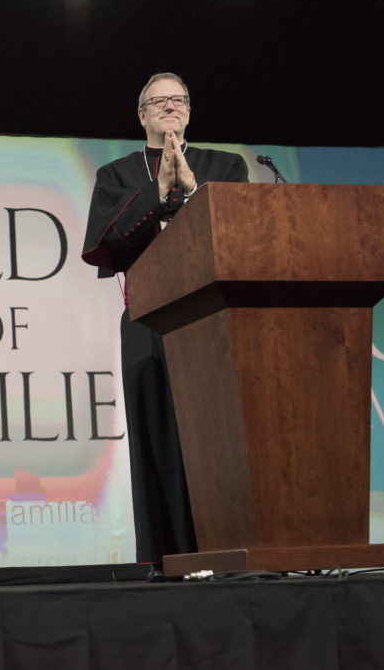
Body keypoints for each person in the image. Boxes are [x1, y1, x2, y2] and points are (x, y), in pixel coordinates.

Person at [82, 72, 249, 564]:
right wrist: (157, 192)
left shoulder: (226, 166)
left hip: (217, 324)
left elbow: (243, 235)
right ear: (141, 115)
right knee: (159, 442)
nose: (169, 107)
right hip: (148, 322)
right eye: (158, 101)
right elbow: (108, 244)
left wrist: (195, 195)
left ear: (190, 112)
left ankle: (232, 553)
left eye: (178, 100)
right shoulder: (116, 175)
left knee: (219, 442)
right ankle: (165, 563)